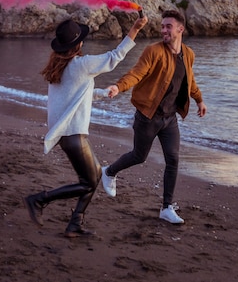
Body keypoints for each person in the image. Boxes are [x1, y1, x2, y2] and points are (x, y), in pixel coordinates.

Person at [24, 15, 148, 238]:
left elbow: (78, 95)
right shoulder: (81, 64)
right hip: (73, 135)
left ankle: (75, 224)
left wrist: (103, 93)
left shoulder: (60, 67)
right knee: (89, 181)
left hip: (65, 135)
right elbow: (114, 57)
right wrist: (135, 29)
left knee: (94, 177)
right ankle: (40, 199)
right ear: (78, 44)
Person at [101, 9, 207, 224]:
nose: (163, 30)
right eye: (162, 26)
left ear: (180, 29)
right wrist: (118, 86)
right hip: (147, 116)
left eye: (168, 26)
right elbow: (136, 73)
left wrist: (199, 99)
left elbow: (189, 80)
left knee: (173, 159)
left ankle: (167, 207)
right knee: (139, 156)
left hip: (170, 119)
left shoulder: (188, 54)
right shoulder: (153, 51)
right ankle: (109, 171)